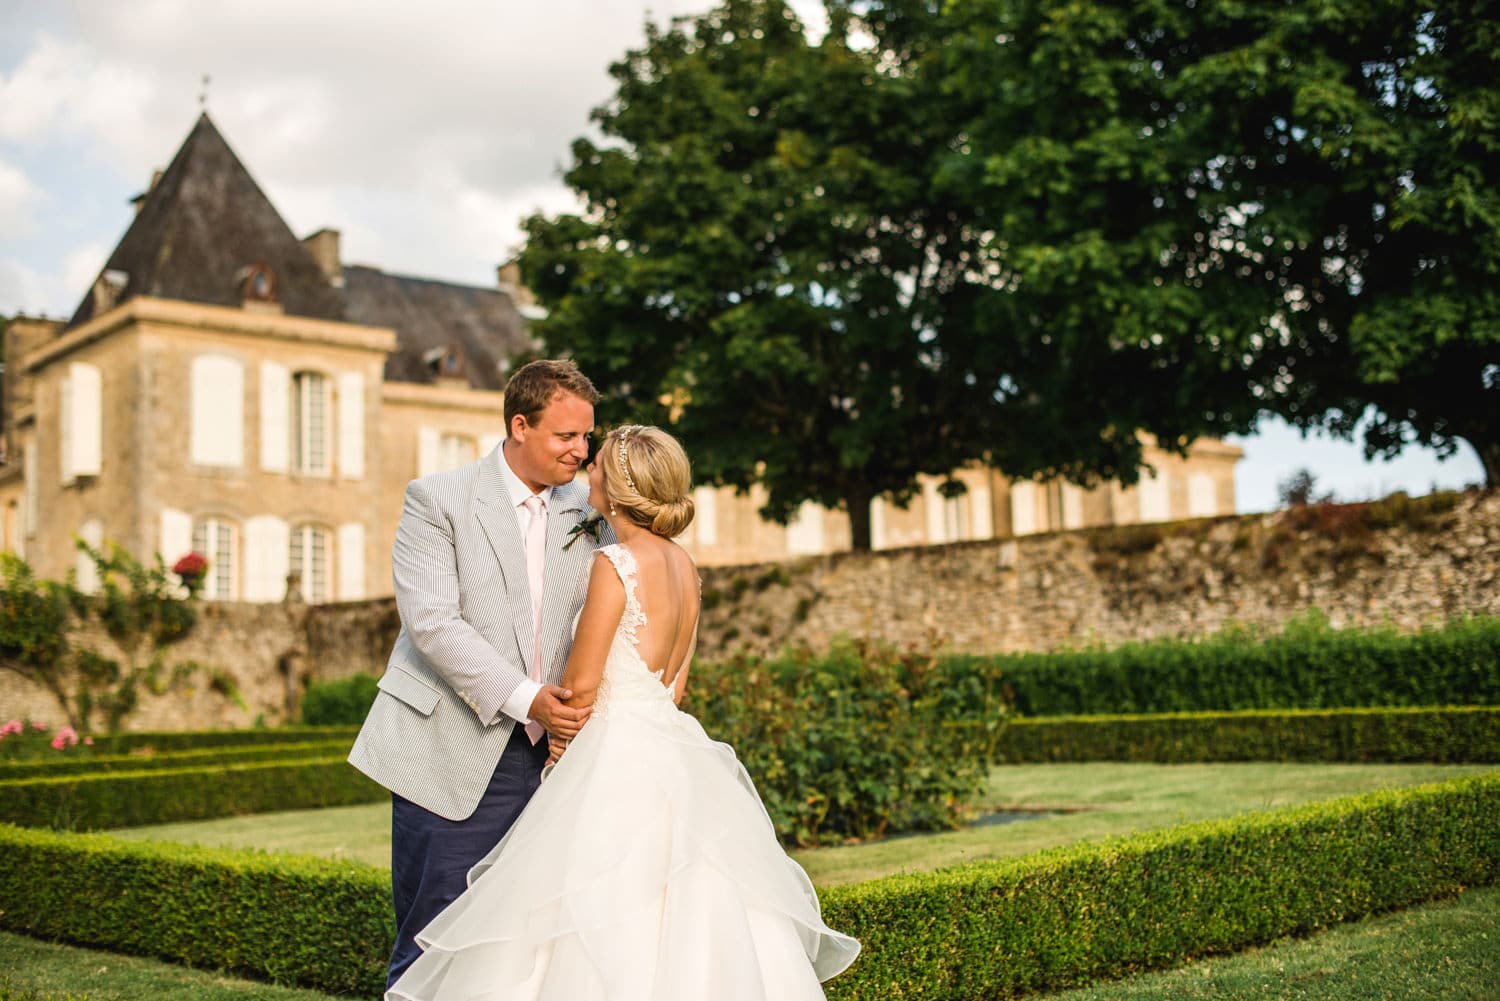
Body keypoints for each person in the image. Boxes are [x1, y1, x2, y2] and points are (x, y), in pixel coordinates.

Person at [388, 425, 860, 1000]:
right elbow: (675, 686)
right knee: (687, 907)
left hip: (613, 755)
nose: (586, 466)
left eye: (597, 464)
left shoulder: (615, 562)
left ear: (614, 487)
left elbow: (581, 687)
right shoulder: (686, 567)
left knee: (590, 914)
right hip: (670, 748)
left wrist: (559, 753)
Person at [348, 359, 613, 989]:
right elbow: (431, 621)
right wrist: (530, 701)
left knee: (528, 940)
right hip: (448, 746)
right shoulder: (436, 498)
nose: (582, 451)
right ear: (519, 425)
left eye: (587, 437)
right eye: (566, 437)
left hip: (558, 757)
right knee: (431, 936)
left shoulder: (592, 508)